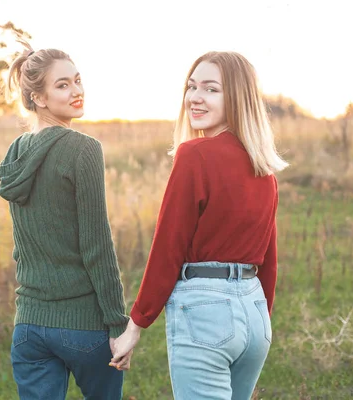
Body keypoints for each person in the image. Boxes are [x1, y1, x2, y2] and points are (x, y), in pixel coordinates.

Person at [110, 51, 289, 399]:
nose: (194, 97)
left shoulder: (194, 155)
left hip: (207, 315)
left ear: (236, 97)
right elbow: (269, 261)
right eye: (192, 87)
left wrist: (136, 324)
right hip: (255, 319)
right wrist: (258, 320)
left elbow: (168, 247)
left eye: (210, 89)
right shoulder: (264, 169)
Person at [0, 41, 130, 400]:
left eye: (77, 80)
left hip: (28, 327)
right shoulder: (83, 149)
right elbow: (96, 245)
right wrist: (118, 324)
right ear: (38, 98)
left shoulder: (15, 151)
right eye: (62, 85)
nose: (77, 91)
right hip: (83, 325)